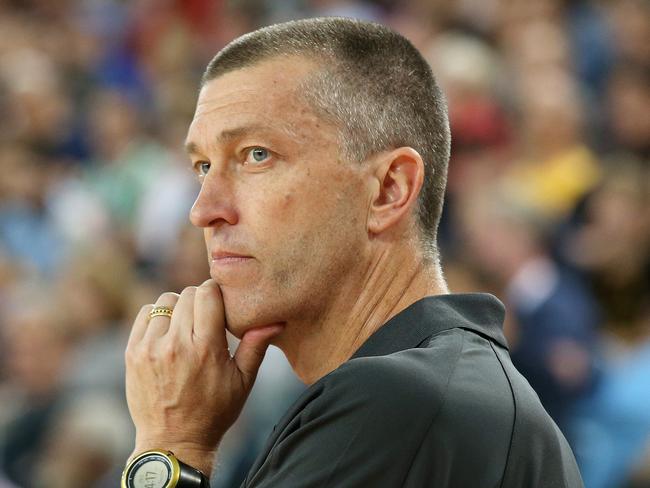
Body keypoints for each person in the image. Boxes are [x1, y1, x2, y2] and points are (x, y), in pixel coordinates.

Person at [123, 18, 583, 488]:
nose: (203, 210)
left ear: (388, 190)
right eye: (203, 166)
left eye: (256, 155)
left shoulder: (397, 404)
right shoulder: (445, 385)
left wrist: (172, 446)